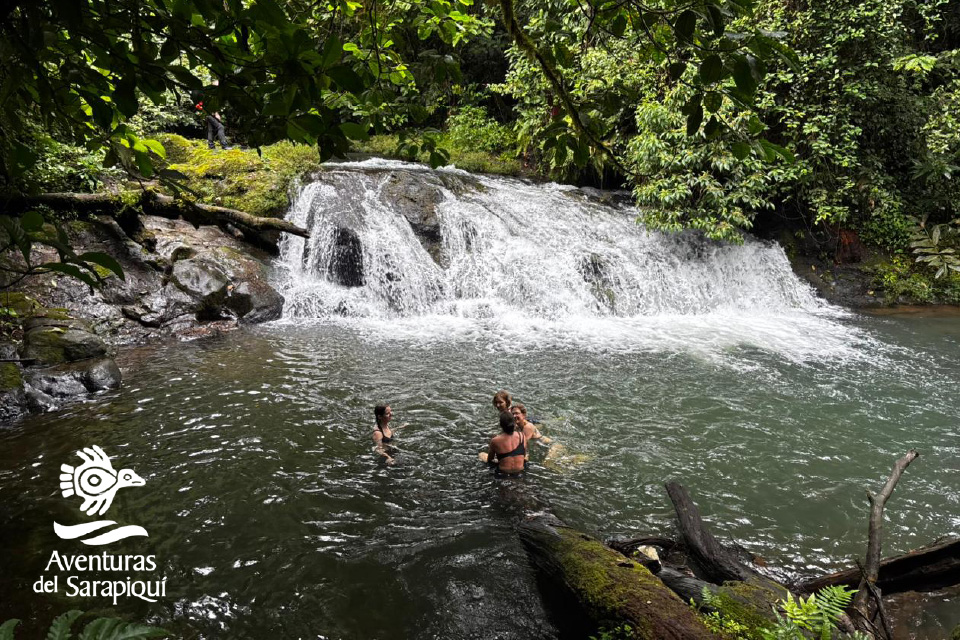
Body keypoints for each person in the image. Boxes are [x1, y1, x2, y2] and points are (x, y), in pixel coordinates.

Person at [483, 411, 526, 476]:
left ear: (501, 425)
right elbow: (524, 455)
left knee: (481, 455)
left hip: (503, 474)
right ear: (514, 423)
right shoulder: (522, 436)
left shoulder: (495, 440)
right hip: (519, 472)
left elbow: (490, 460)